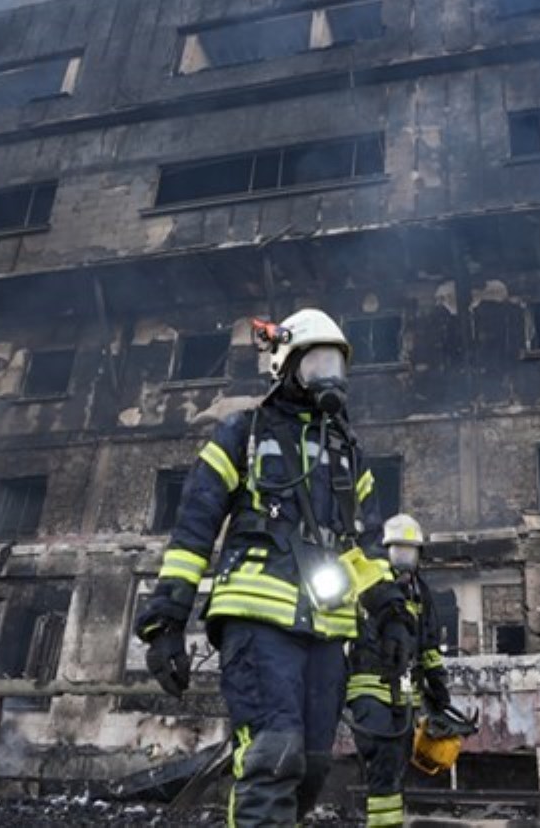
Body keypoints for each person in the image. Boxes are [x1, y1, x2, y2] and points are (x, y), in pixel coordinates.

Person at [133, 309, 416, 827]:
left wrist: (391, 612)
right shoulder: (243, 433)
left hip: (327, 630)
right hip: (258, 622)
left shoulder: (348, 455)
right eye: (318, 364)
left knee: (311, 768)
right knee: (273, 755)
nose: (330, 377)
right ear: (286, 363)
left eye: (337, 366)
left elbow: (366, 549)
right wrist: (167, 618)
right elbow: (194, 528)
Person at [345, 514, 450, 828]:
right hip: (369, 684)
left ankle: (385, 820)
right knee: (383, 753)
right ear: (384, 552)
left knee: (397, 764)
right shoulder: (369, 585)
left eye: (410, 553)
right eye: (398, 552)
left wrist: (439, 689)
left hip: (406, 694)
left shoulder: (422, 594)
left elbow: (429, 645)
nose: (404, 561)